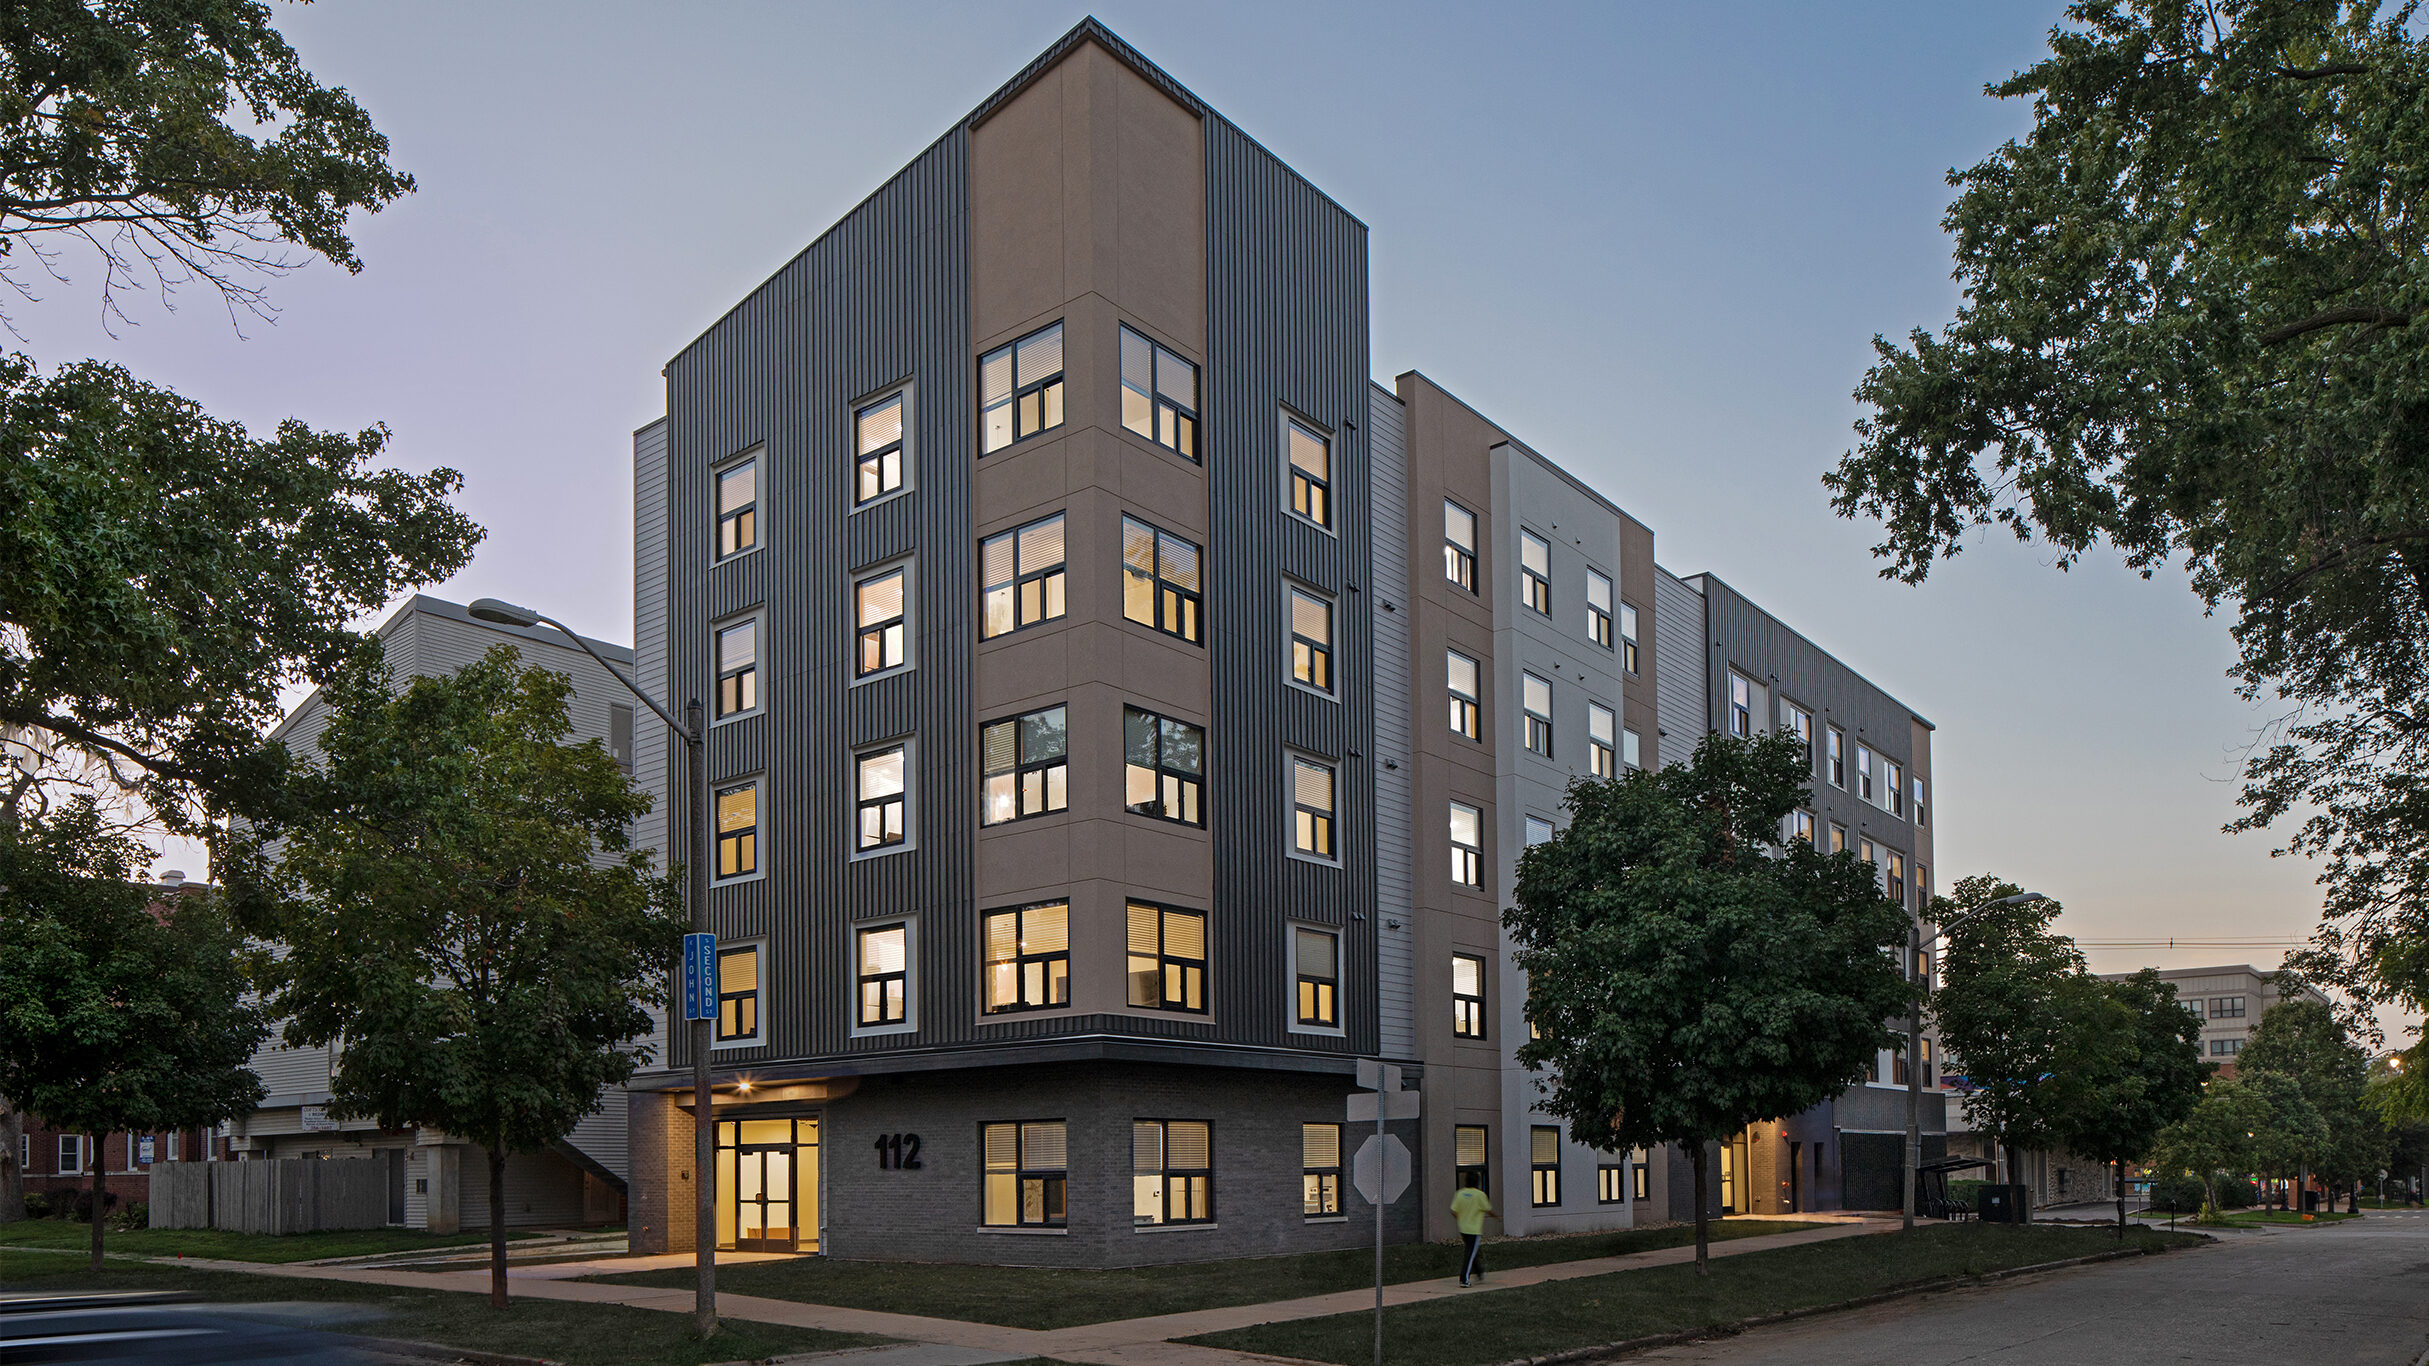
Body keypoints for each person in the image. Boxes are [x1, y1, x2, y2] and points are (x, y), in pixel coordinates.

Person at [1450, 1174, 1493, 1286]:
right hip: (1474, 1230)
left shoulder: (1460, 1193)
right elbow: (1487, 1209)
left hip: (1463, 1228)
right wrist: (1496, 1217)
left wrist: (1461, 1219)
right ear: (1477, 1182)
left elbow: (1453, 1211)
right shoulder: (1479, 1195)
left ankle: (1479, 1272)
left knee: (1472, 1251)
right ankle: (1464, 1279)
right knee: (1470, 1253)